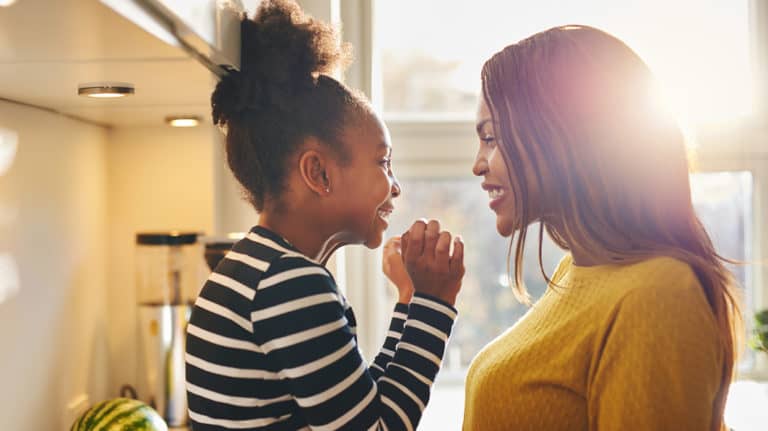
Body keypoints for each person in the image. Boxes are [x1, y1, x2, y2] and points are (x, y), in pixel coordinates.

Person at [184, 1, 465, 430]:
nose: (395, 186)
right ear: (318, 172)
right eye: (383, 162)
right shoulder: (293, 285)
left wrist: (410, 301)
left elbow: (363, 406)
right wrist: (436, 304)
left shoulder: (253, 268)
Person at [462, 25, 742, 431]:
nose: (478, 164)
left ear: (564, 137)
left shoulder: (656, 295)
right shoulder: (577, 270)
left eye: (491, 137)